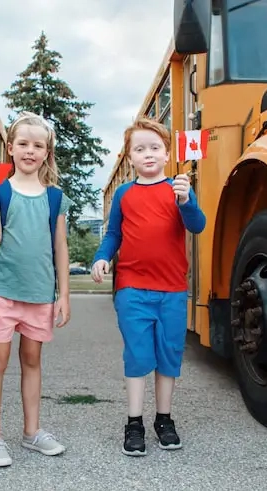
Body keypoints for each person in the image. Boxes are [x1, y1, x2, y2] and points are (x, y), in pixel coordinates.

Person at [0, 111, 72, 468]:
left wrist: (64, 295)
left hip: (40, 294)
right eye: (23, 143)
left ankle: (32, 431)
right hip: (1, 291)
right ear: (10, 148)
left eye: (38, 145)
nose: (30, 150)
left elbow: (60, 248)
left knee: (32, 361)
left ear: (46, 152)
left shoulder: (55, 197)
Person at [90, 117, 206, 457]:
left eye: (155, 147)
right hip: (132, 288)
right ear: (130, 157)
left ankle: (164, 419)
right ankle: (134, 422)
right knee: (139, 355)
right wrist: (101, 257)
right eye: (140, 149)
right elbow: (113, 234)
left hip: (171, 289)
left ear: (167, 154)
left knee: (169, 356)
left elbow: (197, 225)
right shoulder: (125, 194)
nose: (148, 154)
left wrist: (187, 202)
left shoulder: (179, 189)